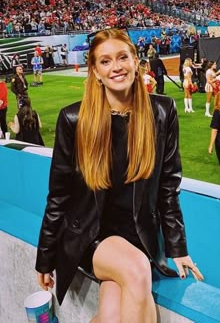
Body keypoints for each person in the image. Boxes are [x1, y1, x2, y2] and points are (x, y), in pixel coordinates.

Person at [35, 28, 203, 323]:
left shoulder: (162, 111)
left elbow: (168, 185)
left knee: (111, 316)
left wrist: (178, 247)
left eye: (123, 57)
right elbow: (59, 196)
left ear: (136, 61)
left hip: (139, 236)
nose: (116, 67)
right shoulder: (73, 119)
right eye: (105, 61)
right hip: (91, 237)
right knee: (138, 270)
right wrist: (45, 258)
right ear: (95, 72)